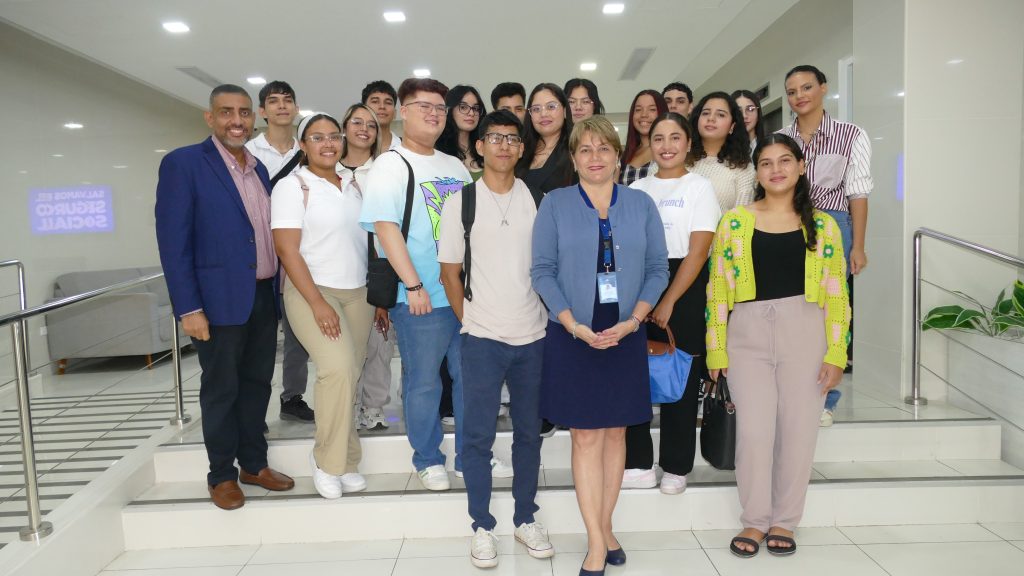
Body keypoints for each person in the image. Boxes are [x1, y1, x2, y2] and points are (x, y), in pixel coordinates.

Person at [532, 116, 668, 575]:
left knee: (616, 433)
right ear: (573, 158)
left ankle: (605, 527)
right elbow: (542, 271)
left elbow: (656, 270)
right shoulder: (554, 204)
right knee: (587, 435)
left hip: (625, 331)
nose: (595, 158)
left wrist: (635, 321)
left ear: (616, 156)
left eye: (604, 149)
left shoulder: (641, 204)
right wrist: (571, 323)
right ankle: (596, 541)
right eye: (585, 150)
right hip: (574, 332)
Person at [706, 133, 850, 558]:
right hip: (747, 334)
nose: (776, 170)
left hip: (807, 332)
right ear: (758, 172)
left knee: (799, 431)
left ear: (801, 166)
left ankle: (785, 520)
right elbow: (716, 290)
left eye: (784, 161)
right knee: (753, 433)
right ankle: (754, 519)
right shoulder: (734, 221)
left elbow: (838, 293)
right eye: (766, 163)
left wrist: (837, 352)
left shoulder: (822, 225)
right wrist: (717, 349)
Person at [155, 84, 294, 511]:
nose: (237, 120)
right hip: (215, 302)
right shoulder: (184, 164)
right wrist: (189, 308)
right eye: (226, 112)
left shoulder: (258, 169)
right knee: (221, 389)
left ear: (254, 118)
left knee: (257, 385)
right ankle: (221, 474)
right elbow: (173, 242)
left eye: (244, 112)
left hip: (261, 296)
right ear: (209, 117)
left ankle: (254, 463)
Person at [438, 110, 554, 568]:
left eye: (512, 138)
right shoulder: (461, 201)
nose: (504, 145)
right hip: (482, 338)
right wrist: (471, 320)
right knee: (477, 436)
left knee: (529, 434)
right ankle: (482, 526)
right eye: (495, 137)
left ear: (522, 148)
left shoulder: (539, 199)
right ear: (480, 146)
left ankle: (526, 517)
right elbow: (450, 272)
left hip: (534, 335)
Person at [359, 77, 471, 491]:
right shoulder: (391, 163)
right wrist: (413, 285)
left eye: (440, 108)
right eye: (424, 106)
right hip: (422, 296)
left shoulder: (454, 165)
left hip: (463, 294)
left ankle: (469, 453)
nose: (434, 114)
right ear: (403, 112)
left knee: (468, 378)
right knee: (424, 381)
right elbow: (384, 228)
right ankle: (427, 457)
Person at [271, 112, 375, 499]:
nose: (328, 143)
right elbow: (286, 248)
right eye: (317, 137)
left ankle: (347, 459)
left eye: (334, 136)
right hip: (312, 291)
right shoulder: (293, 186)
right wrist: (316, 302)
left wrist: (377, 300)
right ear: (303, 145)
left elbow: (369, 243)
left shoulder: (353, 183)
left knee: (351, 372)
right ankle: (326, 461)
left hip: (359, 293)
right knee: (335, 369)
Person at [623, 113, 721, 493]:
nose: (666, 145)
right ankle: (638, 463)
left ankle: (677, 467)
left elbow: (698, 254)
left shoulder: (700, 188)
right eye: (658, 137)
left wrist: (668, 301)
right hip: (639, 281)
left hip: (686, 283)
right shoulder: (637, 190)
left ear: (688, 143)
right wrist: (644, 299)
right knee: (635, 373)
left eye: (675, 137)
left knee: (681, 376)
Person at [780, 64, 871, 394]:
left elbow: (858, 194)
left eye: (806, 88)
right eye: (791, 92)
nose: (799, 96)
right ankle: (791, 388)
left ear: (823, 88)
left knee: (831, 310)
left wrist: (857, 246)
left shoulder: (851, 135)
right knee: (791, 308)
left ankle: (826, 397)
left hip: (833, 224)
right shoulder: (782, 139)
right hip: (786, 224)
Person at [245, 80, 313, 424]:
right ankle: (254, 409)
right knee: (260, 336)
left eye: (288, 100)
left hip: (300, 251)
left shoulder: (308, 149)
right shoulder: (248, 151)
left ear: (296, 108)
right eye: (274, 101)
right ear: (262, 111)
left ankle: (293, 396)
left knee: (298, 328)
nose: (282, 106)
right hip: (260, 255)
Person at [335, 103, 394, 431]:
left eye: (371, 125)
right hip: (338, 273)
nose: (364, 129)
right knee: (344, 350)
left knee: (379, 344)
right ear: (344, 127)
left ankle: (373, 407)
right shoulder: (327, 169)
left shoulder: (385, 170)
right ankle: (347, 406)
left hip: (379, 270)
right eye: (356, 122)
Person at [688, 91, 755, 213]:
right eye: (706, 113)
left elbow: (741, 221)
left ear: (732, 126)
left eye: (720, 115)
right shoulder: (678, 158)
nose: (711, 118)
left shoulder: (743, 169)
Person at [516, 83, 576, 198]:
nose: (543, 114)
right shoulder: (521, 149)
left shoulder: (576, 148)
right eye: (536, 109)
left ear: (564, 110)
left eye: (551, 107)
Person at [436, 85, 487, 177]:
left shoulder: (486, 149)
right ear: (449, 110)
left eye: (475, 108)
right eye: (463, 107)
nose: (471, 113)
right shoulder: (437, 151)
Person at [619, 90, 668, 186]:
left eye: (652, 109)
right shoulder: (624, 156)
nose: (644, 114)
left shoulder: (670, 151)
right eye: (638, 109)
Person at [362, 80, 401, 151]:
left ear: (395, 113)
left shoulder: (406, 149)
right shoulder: (350, 148)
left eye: (388, 102)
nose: (382, 106)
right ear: (363, 110)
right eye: (375, 101)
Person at [732, 89, 766, 153]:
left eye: (750, 109)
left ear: (758, 113)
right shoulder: (723, 151)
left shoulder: (769, 146)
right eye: (738, 111)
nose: (744, 116)